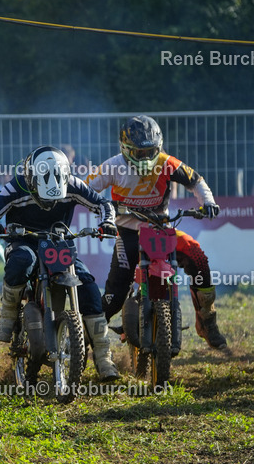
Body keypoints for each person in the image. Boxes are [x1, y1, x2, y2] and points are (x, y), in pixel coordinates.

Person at [0, 145, 120, 381]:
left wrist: (107, 222)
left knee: (88, 287)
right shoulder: (15, 186)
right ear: (32, 180)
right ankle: (7, 315)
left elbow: (104, 204)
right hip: (24, 241)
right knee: (22, 261)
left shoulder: (74, 184)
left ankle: (104, 357)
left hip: (58, 242)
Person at [86, 115, 226, 348]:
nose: (145, 158)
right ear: (124, 148)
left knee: (197, 256)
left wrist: (208, 201)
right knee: (115, 296)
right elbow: (86, 188)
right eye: (138, 152)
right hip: (127, 232)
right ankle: (87, 342)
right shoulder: (112, 165)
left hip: (161, 229)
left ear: (158, 148)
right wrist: (101, 208)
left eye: (149, 152)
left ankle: (207, 321)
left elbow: (195, 180)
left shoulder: (166, 162)